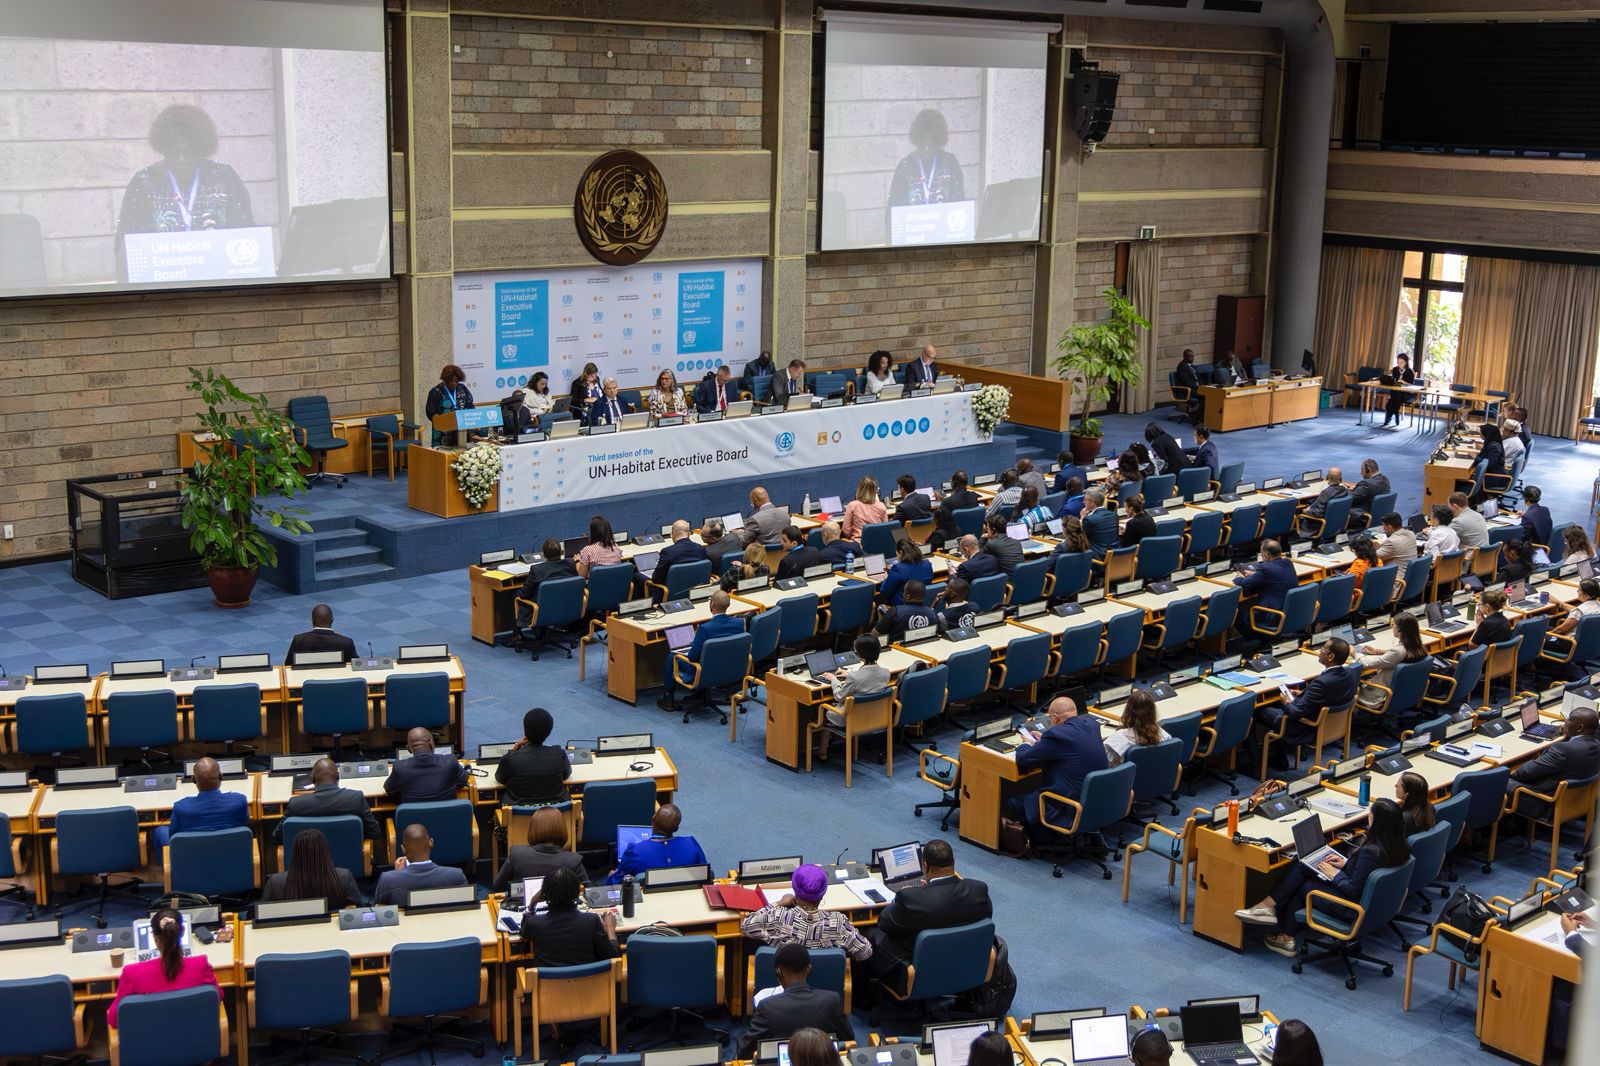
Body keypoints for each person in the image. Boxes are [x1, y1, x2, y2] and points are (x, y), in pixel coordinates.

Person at [1234, 797, 1411, 957]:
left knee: (1305, 886)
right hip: (1378, 902)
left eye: (1371, 814)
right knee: (1304, 866)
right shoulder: (1399, 844)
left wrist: (1335, 874)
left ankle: (1279, 927)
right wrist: (1345, 864)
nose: (1369, 817)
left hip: (1354, 908)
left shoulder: (1371, 851)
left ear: (1378, 821)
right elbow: (1370, 873)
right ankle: (1271, 914)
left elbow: (1353, 890)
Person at [864, 838, 991, 988]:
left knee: (868, 933)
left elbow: (884, 922)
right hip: (965, 960)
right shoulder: (979, 890)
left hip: (921, 968)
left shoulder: (911, 898)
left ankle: (865, 995)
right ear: (953, 861)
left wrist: (900, 899)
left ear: (925, 865)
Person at [106, 907, 223, 1028]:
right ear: (182, 932)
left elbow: (114, 1019)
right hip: (197, 1043)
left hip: (149, 1044)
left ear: (154, 938)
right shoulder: (200, 965)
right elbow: (216, 998)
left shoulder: (132, 973)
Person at [735, 942, 855, 1058]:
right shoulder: (832, 1000)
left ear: (778, 972)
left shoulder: (766, 1007)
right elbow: (849, 1040)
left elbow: (744, 1051)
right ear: (809, 969)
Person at [1005, 695, 1108, 826]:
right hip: (1095, 801)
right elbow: (1071, 744)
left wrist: (1025, 745)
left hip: (1068, 807)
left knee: (1013, 801)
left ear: (1055, 717)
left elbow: (1023, 759)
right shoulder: (1092, 725)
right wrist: (1044, 741)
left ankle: (1045, 838)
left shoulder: (1056, 735)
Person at [740, 865, 874, 961]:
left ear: (794, 889)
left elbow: (745, 926)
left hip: (784, 987)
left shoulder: (779, 917)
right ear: (823, 893)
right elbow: (865, 953)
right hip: (825, 993)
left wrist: (778, 904)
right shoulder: (838, 923)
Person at [1256, 639, 1357, 765]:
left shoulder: (1322, 683)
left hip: (1308, 727)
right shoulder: (1351, 673)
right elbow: (1329, 695)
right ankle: (1277, 755)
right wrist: (1304, 693)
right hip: (1332, 725)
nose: (1320, 651)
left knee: (1257, 710)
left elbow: (1295, 714)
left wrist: (1287, 702)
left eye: (1323, 649)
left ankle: (1257, 762)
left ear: (1331, 656)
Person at [518, 867, 620, 968]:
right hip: (586, 983)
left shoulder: (534, 923)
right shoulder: (591, 921)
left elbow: (524, 933)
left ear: (544, 894)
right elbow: (613, 955)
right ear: (576, 893)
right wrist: (610, 929)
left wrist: (532, 904)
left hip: (549, 984)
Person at [1506, 707, 1600, 813]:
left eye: (1569, 719)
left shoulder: (1563, 750)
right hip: (1573, 803)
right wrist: (1568, 735)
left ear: (1580, 727)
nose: (1565, 721)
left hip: (1544, 803)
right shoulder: (1596, 745)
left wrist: (1510, 771)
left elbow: (1524, 773)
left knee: (1498, 780)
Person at [273, 757, 379, 841]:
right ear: (338, 776)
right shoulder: (355, 798)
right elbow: (374, 833)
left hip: (308, 864)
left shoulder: (296, 804)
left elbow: (277, 837)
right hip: (350, 864)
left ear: (313, 779)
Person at [156, 756, 248, 851]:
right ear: (221, 776)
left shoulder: (181, 807)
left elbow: (173, 837)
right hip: (231, 854)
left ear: (194, 780)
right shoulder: (239, 801)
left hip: (193, 859)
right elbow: (244, 823)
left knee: (160, 831)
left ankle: (171, 865)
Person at [261, 827, 362, 909]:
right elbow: (358, 912)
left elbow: (262, 916)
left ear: (295, 853)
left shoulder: (275, 883)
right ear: (325, 851)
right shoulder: (344, 877)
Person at [492, 805, 587, 892]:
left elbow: (497, 889)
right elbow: (590, 894)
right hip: (562, 909)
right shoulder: (574, 860)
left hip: (522, 909)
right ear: (563, 829)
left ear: (533, 829)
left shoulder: (516, 855)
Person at [372, 822, 469, 906]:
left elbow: (378, 914)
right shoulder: (456, 875)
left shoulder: (388, 879)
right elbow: (470, 910)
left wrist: (398, 874)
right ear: (431, 843)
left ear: (403, 849)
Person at [607, 803, 707, 883]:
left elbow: (617, 881)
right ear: (676, 828)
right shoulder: (691, 844)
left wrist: (612, 876)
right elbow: (704, 873)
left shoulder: (635, 852)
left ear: (653, 819)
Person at [496, 708, 572, 806]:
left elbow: (500, 779)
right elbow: (566, 775)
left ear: (525, 730)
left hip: (519, 818)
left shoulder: (510, 758)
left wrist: (516, 748)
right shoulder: (558, 754)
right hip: (556, 817)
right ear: (549, 732)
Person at [1354, 612, 1427, 711]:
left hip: (1382, 695)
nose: (1392, 627)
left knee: (1352, 686)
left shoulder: (1398, 652)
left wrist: (1354, 652)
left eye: (1394, 625)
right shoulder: (1418, 647)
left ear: (1400, 630)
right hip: (1406, 692)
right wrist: (1377, 651)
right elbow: (1400, 653)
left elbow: (1367, 664)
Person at [384, 727, 468, 804]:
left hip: (414, 820)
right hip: (447, 818)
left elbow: (389, 790)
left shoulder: (400, 767)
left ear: (408, 749)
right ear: (432, 743)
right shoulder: (450, 761)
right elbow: (463, 781)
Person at [824, 634, 893, 728]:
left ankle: (825, 743)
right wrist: (849, 674)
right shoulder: (886, 673)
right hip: (876, 716)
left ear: (860, 655)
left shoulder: (854, 678)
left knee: (823, 709)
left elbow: (839, 697)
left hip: (853, 720)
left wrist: (833, 679)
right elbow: (869, 679)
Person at [515, 539, 579, 629]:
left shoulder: (536, 570)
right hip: (566, 608)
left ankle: (516, 636)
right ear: (561, 553)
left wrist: (517, 593)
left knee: (514, 595)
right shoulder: (570, 563)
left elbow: (524, 594)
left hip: (541, 612)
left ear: (543, 555)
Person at [1104, 689, 1172, 767]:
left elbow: (1103, 766)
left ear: (1128, 712)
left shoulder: (1119, 739)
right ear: (1153, 712)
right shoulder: (1165, 736)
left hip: (1127, 779)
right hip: (1156, 777)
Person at [1234, 539, 1297, 623]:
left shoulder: (1265, 568)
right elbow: (1273, 575)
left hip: (1272, 614)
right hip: (1289, 612)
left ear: (1267, 555)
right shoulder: (1288, 562)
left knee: (1235, 616)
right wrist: (1255, 574)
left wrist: (1238, 576)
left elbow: (1244, 583)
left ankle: (1262, 636)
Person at [683, 590, 747, 667]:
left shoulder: (704, 628)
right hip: (733, 666)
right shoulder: (740, 623)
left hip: (707, 670)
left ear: (712, 604)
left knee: (671, 657)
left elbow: (692, 657)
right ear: (728, 605)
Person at [286, 603, 357, 663]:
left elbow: (288, 666)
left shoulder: (298, 640)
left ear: (312, 621)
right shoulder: (346, 642)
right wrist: (340, 638)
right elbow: (358, 665)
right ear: (332, 620)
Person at [425, 363, 475, 446]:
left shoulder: (462, 388)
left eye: (456, 381)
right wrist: (442, 421)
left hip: (462, 431)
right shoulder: (435, 392)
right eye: (451, 381)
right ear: (445, 380)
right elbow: (431, 413)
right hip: (443, 433)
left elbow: (470, 406)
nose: (453, 383)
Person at [653, 520, 708, 592]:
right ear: (689, 534)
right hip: (694, 592)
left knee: (638, 576)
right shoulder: (701, 549)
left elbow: (656, 579)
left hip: (668, 594)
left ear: (673, 533)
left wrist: (657, 568)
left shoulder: (668, 552)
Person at [873, 580, 937, 643]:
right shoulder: (933, 614)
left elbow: (874, 636)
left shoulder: (895, 612)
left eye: (904, 592)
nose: (903, 594)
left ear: (907, 596)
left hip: (897, 651)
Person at [878, 539, 932, 606]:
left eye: (896, 554)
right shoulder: (927, 565)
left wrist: (886, 578)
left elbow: (884, 592)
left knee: (878, 599)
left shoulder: (898, 568)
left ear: (900, 553)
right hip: (923, 604)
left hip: (902, 607)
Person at [1299, 465, 1349, 534]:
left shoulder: (1326, 493)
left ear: (1327, 477)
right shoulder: (1345, 490)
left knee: (1297, 514)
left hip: (1318, 525)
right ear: (1340, 478)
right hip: (1336, 523)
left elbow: (1318, 513)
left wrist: (1305, 511)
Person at [934, 471, 982, 542]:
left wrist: (943, 501)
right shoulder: (974, 496)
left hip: (956, 538)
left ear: (953, 483)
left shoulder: (947, 502)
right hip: (975, 536)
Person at [841, 477, 888, 542]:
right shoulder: (881, 506)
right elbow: (886, 528)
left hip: (859, 545)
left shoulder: (852, 505)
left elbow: (846, 531)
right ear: (875, 491)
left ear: (860, 489)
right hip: (878, 543)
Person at [1080, 488, 1119, 560]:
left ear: (1092, 502)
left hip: (1099, 559)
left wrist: (1082, 518)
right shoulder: (1114, 515)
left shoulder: (1089, 520)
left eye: (1085, 500)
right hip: (1116, 556)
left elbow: (1080, 537)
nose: (1083, 502)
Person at [1380, 352, 1416, 427]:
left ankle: (1390, 418)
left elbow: (1412, 385)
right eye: (1398, 362)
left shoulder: (1410, 371)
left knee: (1393, 400)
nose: (1400, 364)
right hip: (1396, 391)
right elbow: (1393, 380)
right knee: (1394, 398)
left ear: (1406, 362)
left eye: (1402, 362)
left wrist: (1404, 382)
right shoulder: (1395, 369)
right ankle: (1395, 414)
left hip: (1406, 394)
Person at [1396, 770, 1436, 835]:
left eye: (1398, 786)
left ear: (1406, 795)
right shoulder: (1430, 807)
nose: (1395, 786)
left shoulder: (1403, 819)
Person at [1473, 422, 1507, 492]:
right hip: (1492, 474)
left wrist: (1475, 457)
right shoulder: (1492, 443)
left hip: (1494, 478)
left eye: (1481, 433)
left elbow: (1488, 464)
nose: (1480, 435)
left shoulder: (1494, 446)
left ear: (1487, 434)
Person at [1173, 348, 1202, 422]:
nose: (1192, 358)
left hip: (1194, 388)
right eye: (1190, 356)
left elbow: (1197, 378)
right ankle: (1197, 417)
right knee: (1205, 395)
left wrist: (1203, 386)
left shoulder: (1191, 366)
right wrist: (1197, 387)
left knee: (1209, 393)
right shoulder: (1182, 366)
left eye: (1193, 356)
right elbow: (1186, 381)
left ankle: (1198, 414)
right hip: (1186, 390)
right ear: (1185, 357)